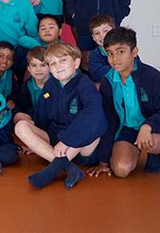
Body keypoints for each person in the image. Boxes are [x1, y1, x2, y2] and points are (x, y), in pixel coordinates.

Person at [89, 28, 160, 179]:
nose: (114, 58)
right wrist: (103, 161)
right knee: (121, 169)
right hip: (127, 129)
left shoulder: (153, 77)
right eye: (110, 53)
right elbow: (109, 119)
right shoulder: (108, 82)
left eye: (120, 51)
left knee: (155, 141)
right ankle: (134, 148)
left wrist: (148, 126)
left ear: (134, 52)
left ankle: (154, 154)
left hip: (152, 129)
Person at [15, 42, 108, 189]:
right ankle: (69, 168)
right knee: (20, 126)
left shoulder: (84, 84)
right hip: (56, 140)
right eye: (53, 63)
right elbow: (42, 115)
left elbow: (94, 114)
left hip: (80, 146)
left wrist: (66, 141)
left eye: (63, 60)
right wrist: (36, 143)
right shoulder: (50, 85)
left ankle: (54, 169)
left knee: (93, 121)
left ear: (76, 63)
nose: (58, 66)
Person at [14, 46, 50, 123]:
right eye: (34, 65)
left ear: (50, 66)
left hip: (54, 119)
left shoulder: (56, 83)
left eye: (43, 65)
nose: (38, 69)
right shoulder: (27, 86)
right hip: (35, 118)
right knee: (18, 116)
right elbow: (22, 107)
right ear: (29, 68)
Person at [0, 41, 18, 110]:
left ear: (11, 63)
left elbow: (15, 94)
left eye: (9, 58)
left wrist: (11, 101)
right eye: (0, 56)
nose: (5, 60)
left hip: (4, 109)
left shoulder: (11, 76)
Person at [88, 14, 115, 83]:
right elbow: (96, 74)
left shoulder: (125, 48)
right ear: (93, 37)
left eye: (105, 31)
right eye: (97, 33)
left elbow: (135, 66)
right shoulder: (94, 54)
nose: (102, 36)